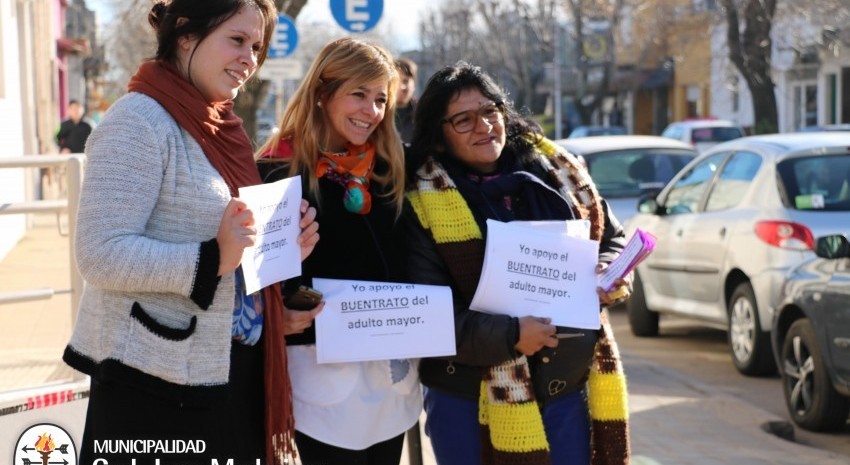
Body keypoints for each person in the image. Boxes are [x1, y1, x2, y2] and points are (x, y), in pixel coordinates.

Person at [61, 1, 319, 465]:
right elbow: (100, 253)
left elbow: (233, 246)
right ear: (184, 34)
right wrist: (212, 258)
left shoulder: (223, 127)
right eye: (237, 40)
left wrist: (279, 248)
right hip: (152, 389)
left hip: (224, 374)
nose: (250, 58)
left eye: (257, 46)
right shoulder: (137, 121)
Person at [405, 62, 631, 465]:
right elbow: (428, 317)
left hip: (568, 391)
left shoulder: (557, 171)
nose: (484, 126)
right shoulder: (422, 201)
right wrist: (511, 335)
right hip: (468, 399)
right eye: (463, 119)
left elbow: (611, 238)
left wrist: (607, 271)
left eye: (490, 111)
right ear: (438, 137)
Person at [256, 38, 420, 465]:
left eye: (381, 99)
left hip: (391, 378)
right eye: (359, 95)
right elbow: (253, 281)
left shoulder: (391, 169)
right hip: (319, 379)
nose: (372, 111)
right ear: (322, 93)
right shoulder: (274, 170)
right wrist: (279, 316)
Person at [394, 56, 418, 145]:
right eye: (396, 81)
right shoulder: (379, 113)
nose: (401, 87)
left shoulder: (423, 112)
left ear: (414, 84)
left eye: (405, 81)